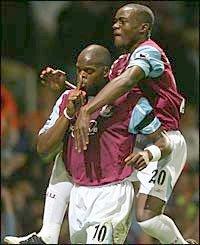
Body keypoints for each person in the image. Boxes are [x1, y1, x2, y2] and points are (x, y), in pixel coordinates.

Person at [4, 44, 172, 244]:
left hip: (112, 195)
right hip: (79, 193)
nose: (82, 76)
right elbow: (43, 148)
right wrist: (68, 113)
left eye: (89, 71)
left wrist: (147, 154)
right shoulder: (68, 99)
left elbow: (164, 142)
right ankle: (46, 235)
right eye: (79, 70)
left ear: (106, 72)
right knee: (61, 159)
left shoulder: (130, 103)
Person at [72, 3, 197, 244]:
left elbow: (128, 81)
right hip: (133, 145)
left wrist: (87, 109)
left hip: (163, 141)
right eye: (115, 21)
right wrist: (68, 87)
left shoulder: (149, 52)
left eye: (122, 21)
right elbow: (104, 94)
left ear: (143, 28)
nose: (115, 25)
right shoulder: (121, 61)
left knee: (147, 218)